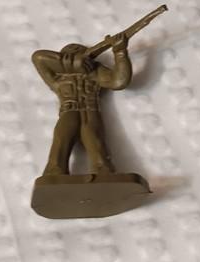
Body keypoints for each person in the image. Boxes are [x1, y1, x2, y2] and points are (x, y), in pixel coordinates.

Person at [32, 39, 132, 176]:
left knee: (94, 138)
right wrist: (73, 63)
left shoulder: (94, 72)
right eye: (69, 54)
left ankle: (103, 171)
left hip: (90, 110)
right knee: (62, 138)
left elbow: (118, 81)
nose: (75, 51)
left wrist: (120, 52)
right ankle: (54, 172)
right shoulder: (56, 78)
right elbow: (38, 57)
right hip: (69, 110)